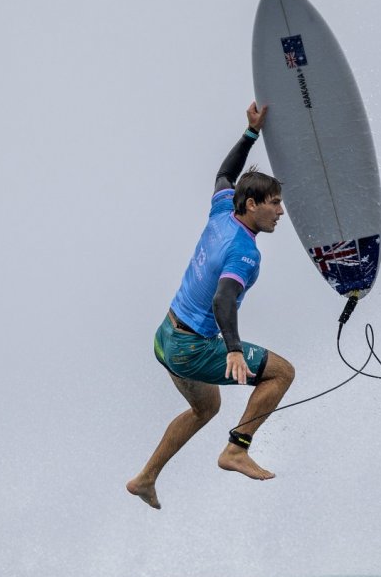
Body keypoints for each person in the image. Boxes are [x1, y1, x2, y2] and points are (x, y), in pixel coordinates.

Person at [126, 102, 296, 510]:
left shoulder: (223, 211)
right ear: (252, 205)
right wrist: (234, 349)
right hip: (191, 348)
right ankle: (237, 449)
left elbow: (224, 175)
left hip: (166, 337)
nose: (281, 211)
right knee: (281, 373)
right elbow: (223, 298)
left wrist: (251, 133)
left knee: (207, 407)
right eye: (273, 202)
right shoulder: (245, 253)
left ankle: (145, 478)